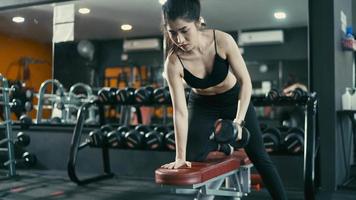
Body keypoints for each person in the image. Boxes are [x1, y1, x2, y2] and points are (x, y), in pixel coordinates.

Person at [160, 0, 287, 199]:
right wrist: (180, 157)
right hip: (202, 104)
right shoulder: (173, 62)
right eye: (172, 32)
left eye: (184, 30)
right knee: (192, 156)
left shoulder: (222, 41)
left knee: (260, 157)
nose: (179, 39)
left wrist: (238, 122)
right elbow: (180, 111)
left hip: (232, 99)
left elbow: (246, 82)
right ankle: (223, 145)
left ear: (198, 22)